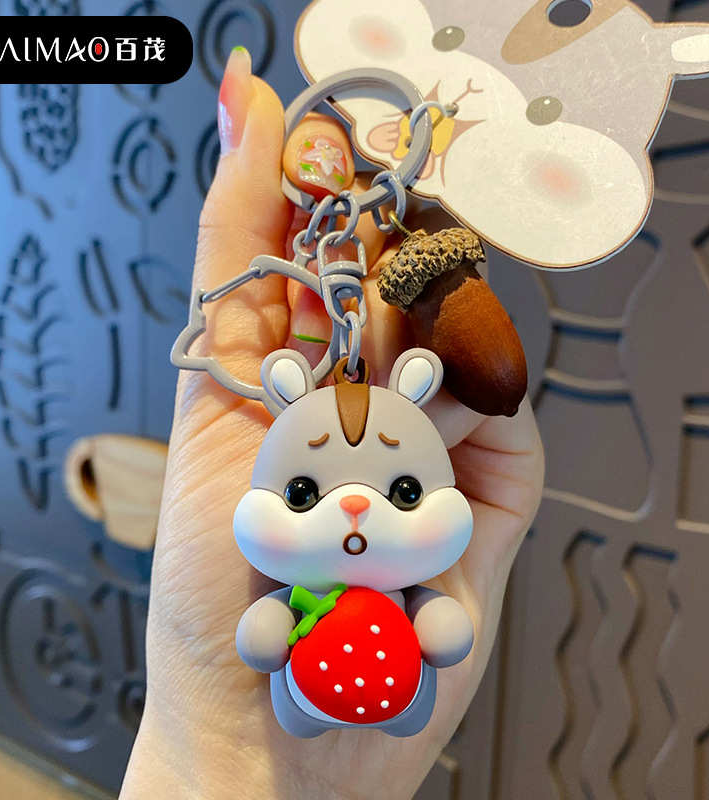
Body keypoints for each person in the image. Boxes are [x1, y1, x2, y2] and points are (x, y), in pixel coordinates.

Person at [120, 47, 544, 800]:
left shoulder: (401, 580)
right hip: (299, 700)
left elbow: (438, 628)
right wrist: (210, 740)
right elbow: (262, 636)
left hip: (399, 697)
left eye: (404, 492)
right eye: (303, 494)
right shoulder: (303, 585)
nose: (352, 504)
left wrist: (434, 624)